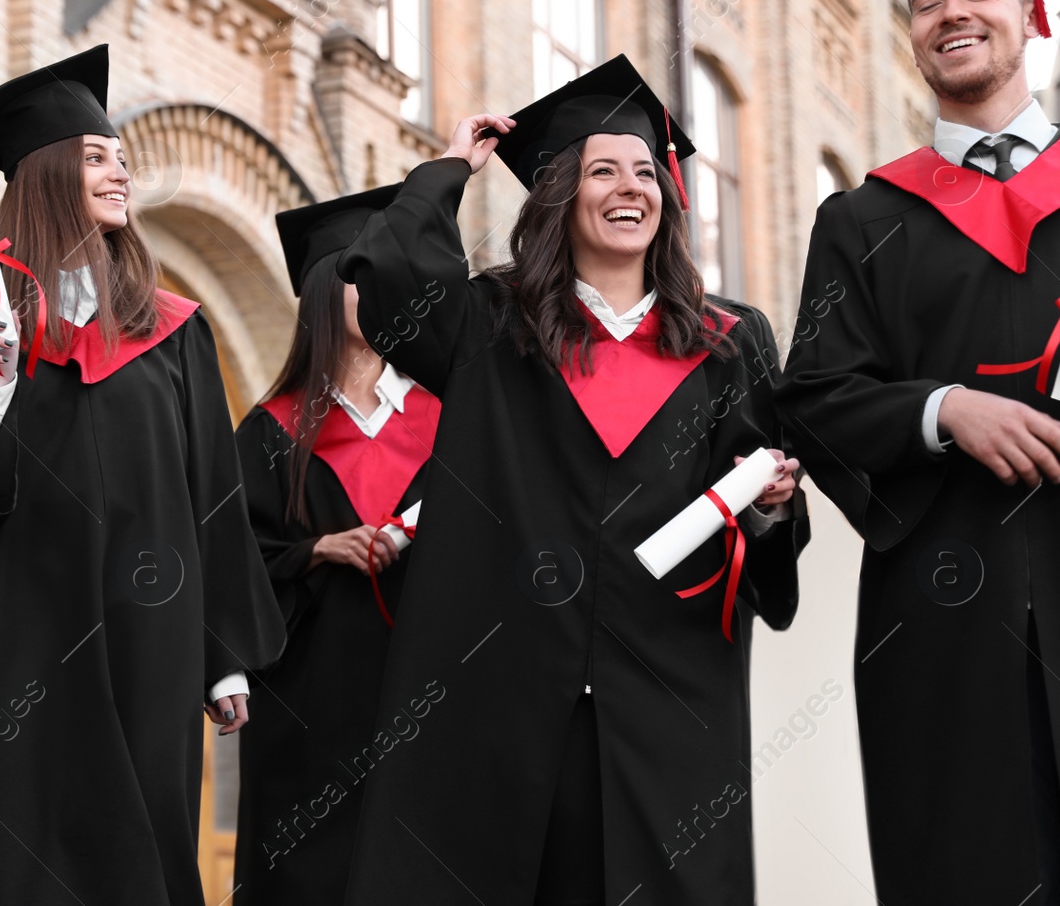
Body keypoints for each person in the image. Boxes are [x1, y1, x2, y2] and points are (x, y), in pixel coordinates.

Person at [338, 55, 806, 906]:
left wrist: (771, 509)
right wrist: (447, 173)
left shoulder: (729, 342)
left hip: (666, 697)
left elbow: (762, 515)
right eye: (602, 170)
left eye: (644, 170)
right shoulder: (490, 325)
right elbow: (390, 277)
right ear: (559, 194)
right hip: (503, 697)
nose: (629, 186)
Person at [776, 0, 1060, 905]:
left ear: (1028, 9)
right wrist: (942, 410)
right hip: (944, 628)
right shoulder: (860, 222)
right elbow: (812, 399)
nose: (951, 12)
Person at [0, 44, 285, 906]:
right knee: (15, 853)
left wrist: (223, 656)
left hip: (149, 638)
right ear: (44, 175)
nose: (119, 174)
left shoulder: (173, 331)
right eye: (97, 156)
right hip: (10, 641)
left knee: (143, 851)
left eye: (123, 160)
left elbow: (212, 497)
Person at [231, 186, 441, 903]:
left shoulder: (454, 421)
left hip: (429, 704)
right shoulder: (268, 434)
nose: (381, 288)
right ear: (324, 292)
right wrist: (317, 550)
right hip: (309, 721)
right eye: (362, 273)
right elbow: (227, 567)